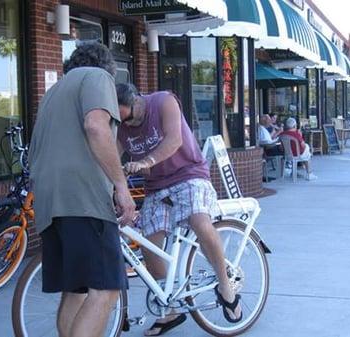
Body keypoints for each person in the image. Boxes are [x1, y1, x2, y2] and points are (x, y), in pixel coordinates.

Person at [27, 41, 137, 337]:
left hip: (50, 203)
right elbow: (96, 127)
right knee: (107, 290)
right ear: (109, 69)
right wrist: (121, 188)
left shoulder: (52, 93)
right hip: (84, 198)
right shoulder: (97, 77)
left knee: (75, 291)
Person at [115, 83, 242, 336]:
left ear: (136, 101)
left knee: (199, 220)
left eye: (127, 118)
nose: (125, 127)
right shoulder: (120, 127)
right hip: (156, 186)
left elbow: (174, 140)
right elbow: (111, 157)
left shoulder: (162, 102)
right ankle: (170, 310)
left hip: (189, 174)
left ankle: (226, 285)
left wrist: (145, 162)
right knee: (149, 246)